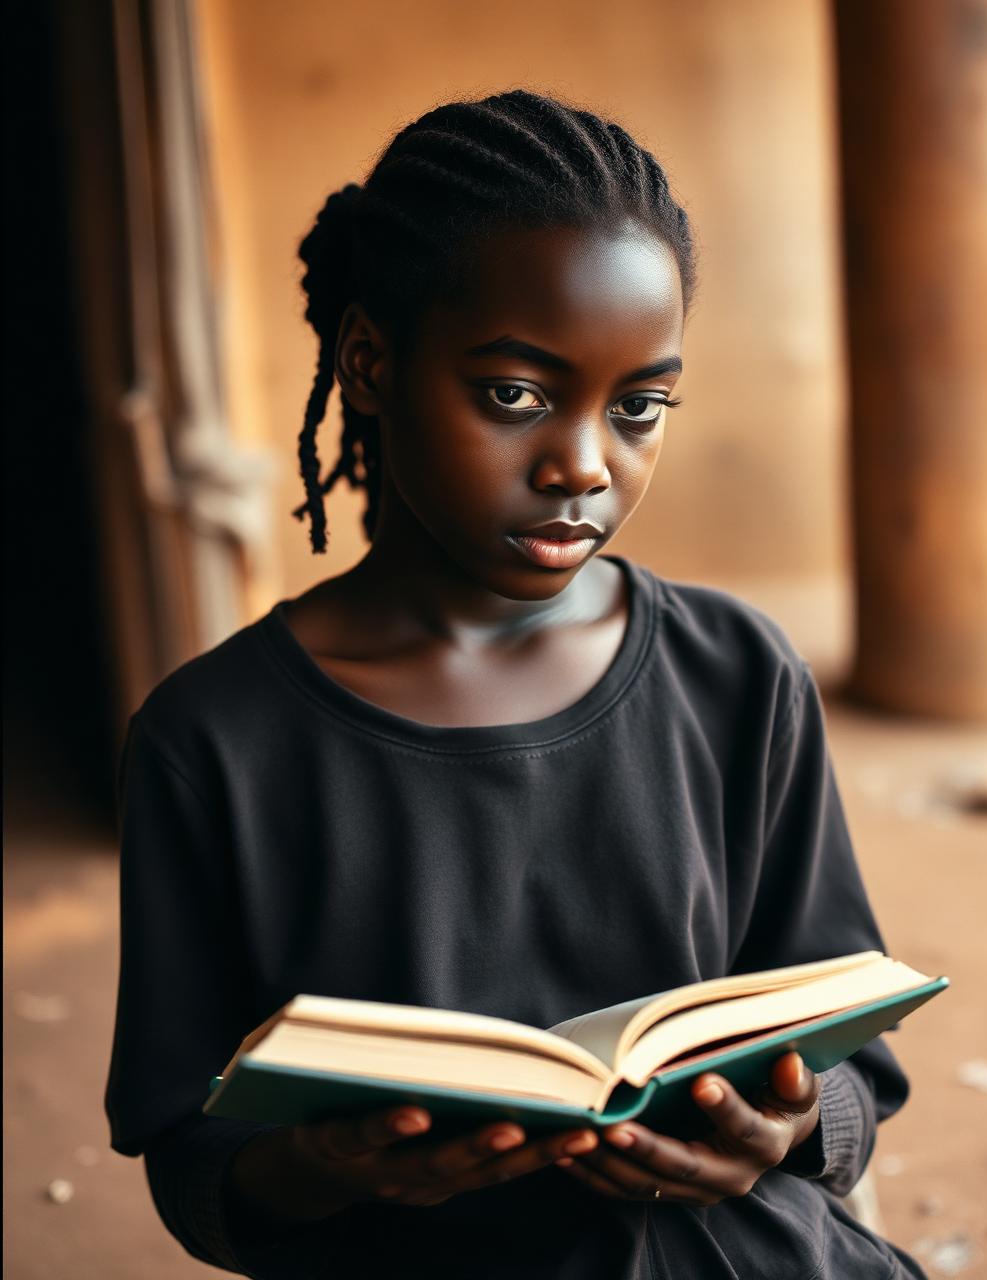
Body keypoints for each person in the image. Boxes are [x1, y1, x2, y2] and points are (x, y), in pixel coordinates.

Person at [105, 90, 927, 1279]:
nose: (582, 464)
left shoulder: (739, 673)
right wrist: (331, 1167)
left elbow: (850, 1056)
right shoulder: (213, 741)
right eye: (515, 394)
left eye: (638, 406)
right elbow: (195, 1162)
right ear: (371, 363)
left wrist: (785, 1127)